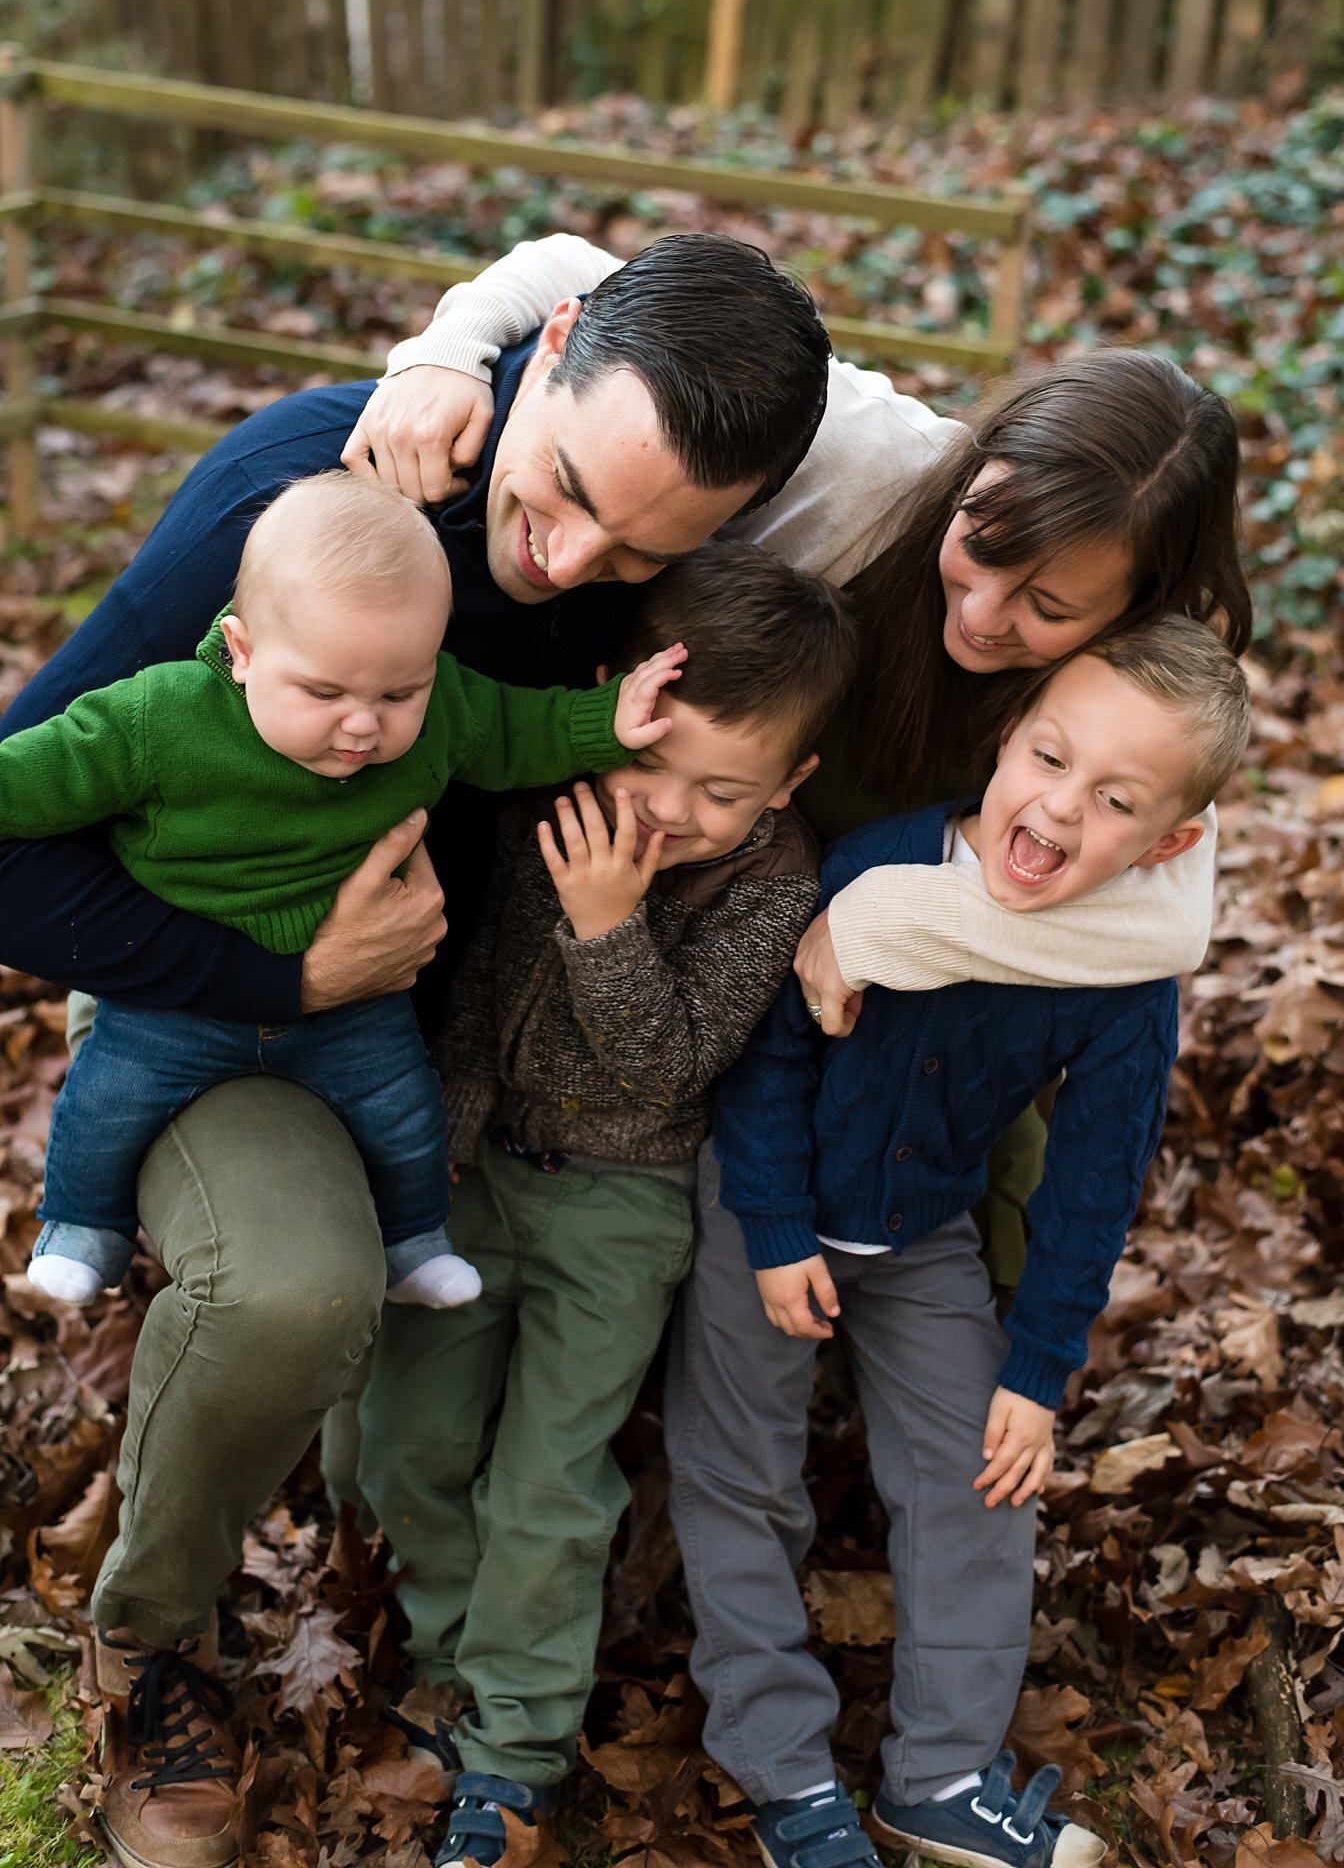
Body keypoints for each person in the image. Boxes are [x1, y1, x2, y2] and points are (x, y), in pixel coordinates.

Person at [0, 228, 1244, 1868]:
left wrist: (846, 926)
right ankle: (156, 1636)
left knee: (986, 1139)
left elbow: (1150, 846)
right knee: (308, 1295)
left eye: (628, 544)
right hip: (240, 995)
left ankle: (878, 1594)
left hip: (477, 1044)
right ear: (553, 350)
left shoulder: (752, 592)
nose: (564, 556)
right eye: (565, 483)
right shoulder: (320, 511)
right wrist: (285, 972)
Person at [672, 619, 1250, 1868]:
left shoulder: (1123, 981)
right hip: (761, 1206)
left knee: (981, 1476)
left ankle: (936, 1771)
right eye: (1047, 756)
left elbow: (1093, 1181)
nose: (1056, 806)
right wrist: (770, 1228)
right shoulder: (875, 864)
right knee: (737, 1469)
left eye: (1112, 801)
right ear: (1003, 737)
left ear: (1167, 845)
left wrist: (1037, 1367)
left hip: (922, 1227)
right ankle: (783, 1773)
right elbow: (764, 1059)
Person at [358, 543, 857, 1868]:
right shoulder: (558, 802)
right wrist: (442, 1147)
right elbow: (473, 996)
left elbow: (667, 1062)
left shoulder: (771, 885)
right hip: (481, 1169)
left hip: (621, 1209)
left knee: (545, 1478)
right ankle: (447, 1670)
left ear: (789, 782)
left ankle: (512, 1751)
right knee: (401, 1432)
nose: (673, 810)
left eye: (724, 789)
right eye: (655, 765)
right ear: (614, 701)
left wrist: (607, 925)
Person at [3, 472, 683, 1309]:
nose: (363, 725)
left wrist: (606, 720)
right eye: (323, 694)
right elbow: (37, 775)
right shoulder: (157, 719)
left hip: (353, 1004)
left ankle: (413, 1241)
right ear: (242, 652)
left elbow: (516, 728)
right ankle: (82, 1228)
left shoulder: (440, 713)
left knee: (403, 1111)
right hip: (180, 999)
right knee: (106, 1101)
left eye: (398, 692)